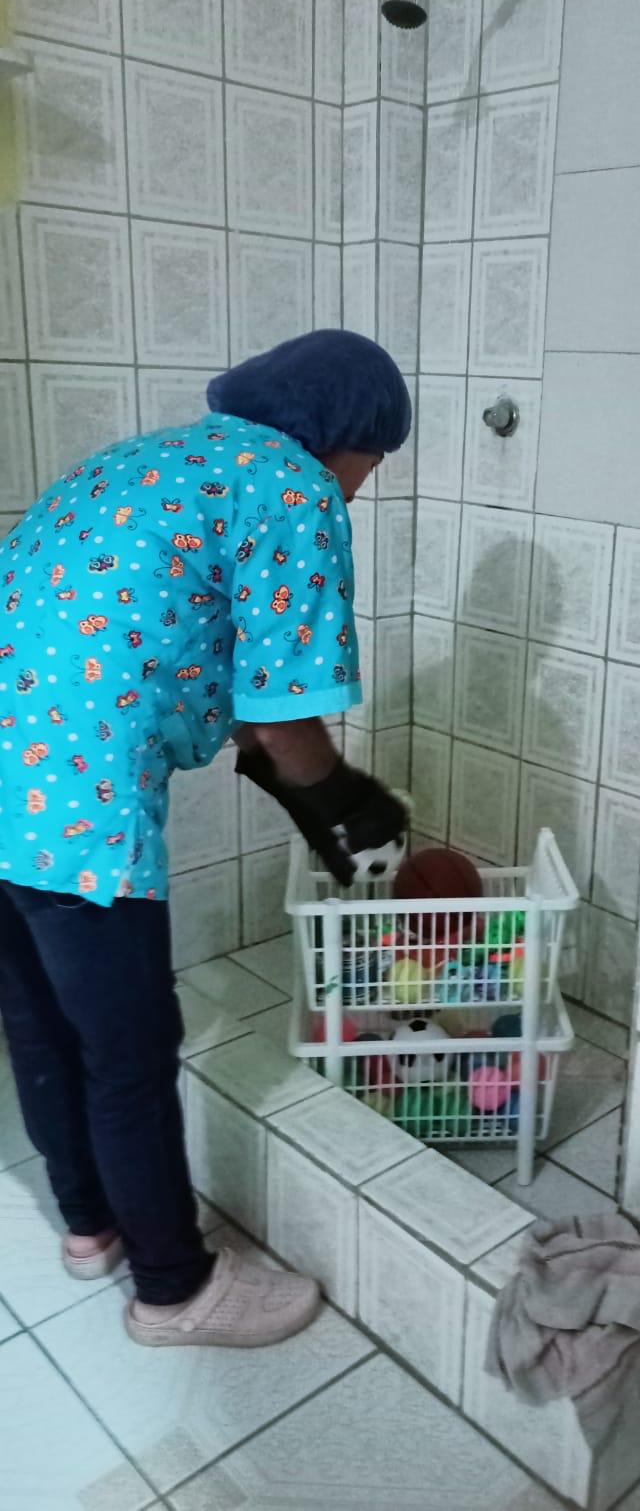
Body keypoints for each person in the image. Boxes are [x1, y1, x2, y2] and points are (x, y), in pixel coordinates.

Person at [0, 329, 411, 1348]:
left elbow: (172, 646)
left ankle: (90, 1227)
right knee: (131, 1053)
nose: (361, 489)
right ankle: (173, 1291)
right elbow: (285, 713)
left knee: (39, 1026)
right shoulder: (291, 483)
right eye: (372, 465)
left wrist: (290, 783)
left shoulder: (151, 461)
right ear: (350, 436)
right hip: (73, 804)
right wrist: (348, 799)